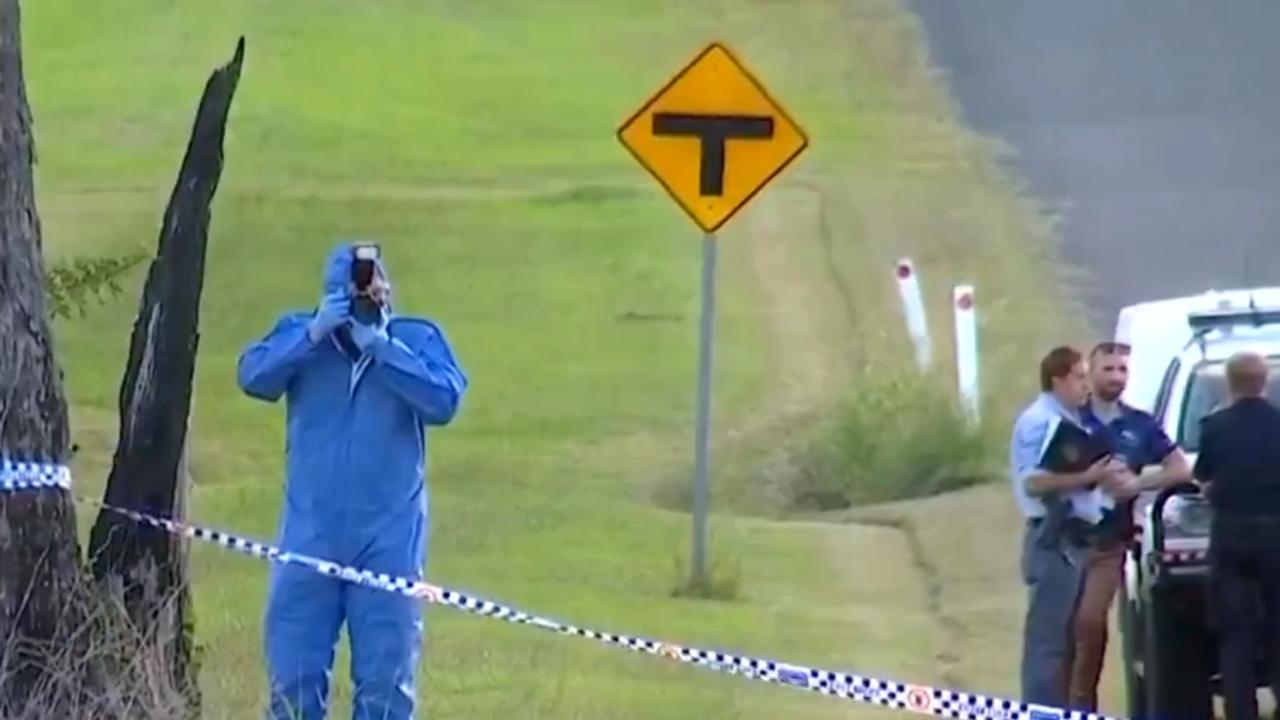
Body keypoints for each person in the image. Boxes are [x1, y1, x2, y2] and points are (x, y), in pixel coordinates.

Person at [237, 241, 468, 720]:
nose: (363, 299)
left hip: (388, 540)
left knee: (386, 688)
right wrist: (314, 333)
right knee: (293, 683)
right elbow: (253, 376)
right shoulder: (303, 336)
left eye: (371, 286)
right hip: (309, 534)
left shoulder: (417, 340)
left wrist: (382, 347)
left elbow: (445, 400)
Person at [1068, 341, 1191, 711]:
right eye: (1108, 369)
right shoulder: (1069, 419)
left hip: (1109, 543)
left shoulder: (1139, 424)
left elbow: (1179, 467)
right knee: (1061, 629)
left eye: (1122, 370)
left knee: (1090, 621)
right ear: (1090, 371)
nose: (1116, 377)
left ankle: (1082, 702)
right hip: (1065, 540)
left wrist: (1138, 484)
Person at [1010, 345, 1135, 708]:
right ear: (1058, 379)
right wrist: (1089, 475)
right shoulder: (1041, 422)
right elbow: (1033, 481)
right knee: (1049, 643)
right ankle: (1042, 712)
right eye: (1080, 377)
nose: (1086, 385)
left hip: (1074, 536)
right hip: (1053, 537)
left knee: (1065, 640)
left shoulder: (1066, 419)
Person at [1193, 351, 1280, 720]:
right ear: (1266, 383)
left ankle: (1240, 708)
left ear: (1229, 383)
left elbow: (1203, 477)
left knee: (1235, 630)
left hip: (1231, 535)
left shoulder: (1215, 426)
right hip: (1276, 534)